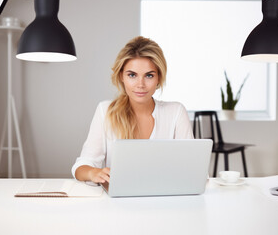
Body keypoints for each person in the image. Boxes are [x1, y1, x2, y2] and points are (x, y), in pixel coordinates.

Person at [71, 36, 193, 184]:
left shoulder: (176, 112)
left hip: (164, 199)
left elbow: (191, 168)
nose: (140, 84)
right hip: (118, 203)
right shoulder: (106, 111)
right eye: (132, 75)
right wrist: (93, 172)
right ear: (121, 76)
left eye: (149, 75)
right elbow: (81, 166)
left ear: (158, 78)